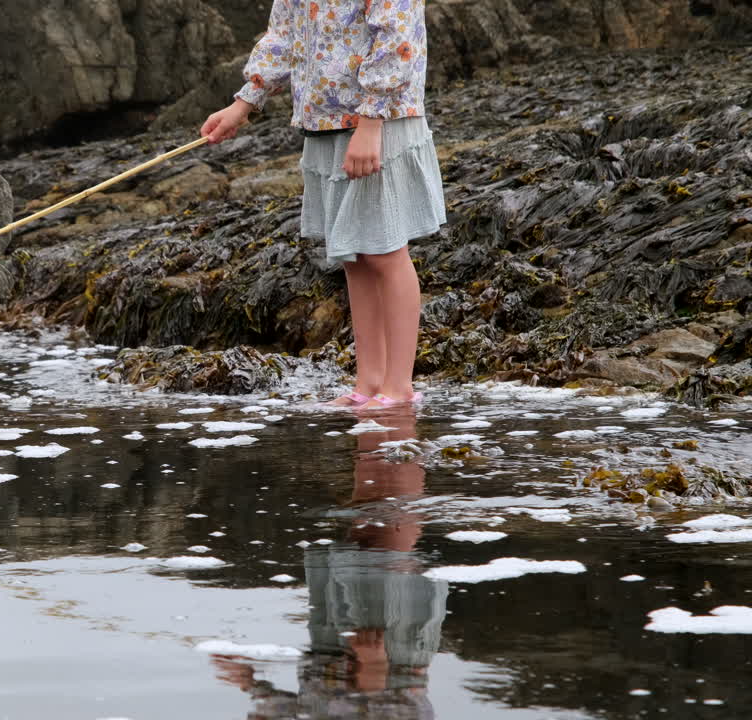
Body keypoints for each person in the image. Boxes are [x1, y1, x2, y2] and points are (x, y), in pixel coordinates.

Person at [200, 0, 446, 410]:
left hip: (380, 122)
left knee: (385, 252)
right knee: (356, 256)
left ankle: (399, 387)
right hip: (323, 124)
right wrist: (242, 105)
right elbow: (282, 36)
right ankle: (368, 383)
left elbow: (396, 38)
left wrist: (370, 125)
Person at [210, 407, 446, 718]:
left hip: (331, 656)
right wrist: (373, 673)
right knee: (386, 528)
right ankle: (393, 410)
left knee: (367, 519)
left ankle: (386, 409)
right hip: (386, 660)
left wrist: (252, 685)